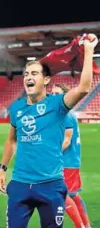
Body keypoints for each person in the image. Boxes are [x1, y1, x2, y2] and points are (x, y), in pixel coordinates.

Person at [0, 34, 97, 228]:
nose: (28, 77)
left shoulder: (58, 104)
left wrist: (89, 50)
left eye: (34, 73)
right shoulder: (16, 108)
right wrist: (2, 168)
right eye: (26, 74)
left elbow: (84, 88)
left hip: (51, 184)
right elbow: (11, 141)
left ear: (46, 80)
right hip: (20, 184)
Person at [52, 83, 91, 228]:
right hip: (70, 160)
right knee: (73, 195)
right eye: (52, 94)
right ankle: (86, 225)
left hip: (67, 161)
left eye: (57, 94)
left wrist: (51, 154)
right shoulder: (64, 114)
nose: (53, 97)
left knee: (62, 195)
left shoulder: (66, 115)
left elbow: (67, 140)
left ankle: (80, 226)